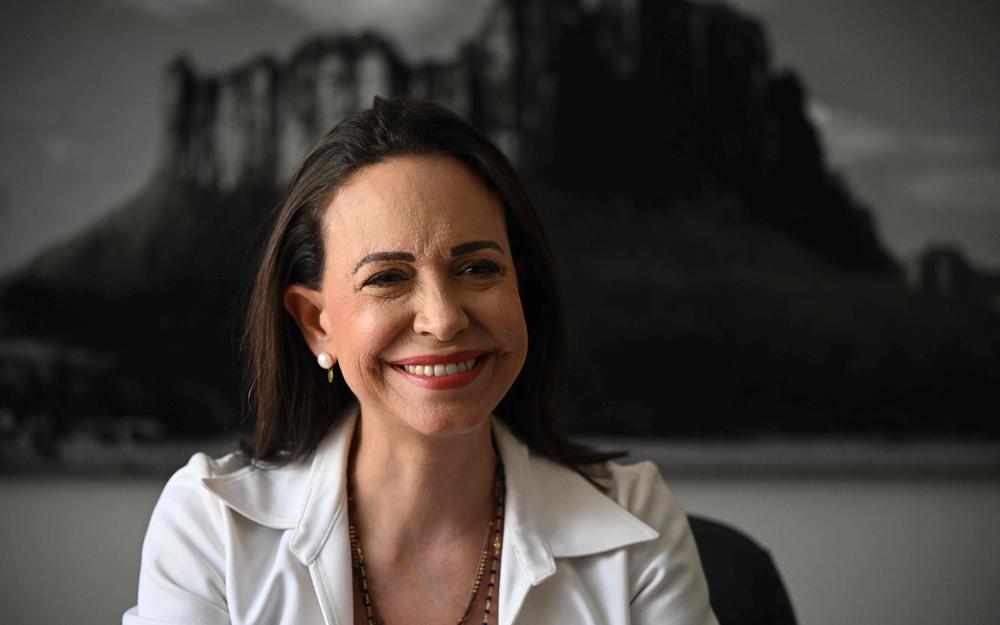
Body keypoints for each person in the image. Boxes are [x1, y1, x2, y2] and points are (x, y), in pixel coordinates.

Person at [123, 97, 718, 625]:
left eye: (478, 268)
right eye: (387, 278)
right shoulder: (213, 526)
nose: (443, 318)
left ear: (520, 289)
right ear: (316, 323)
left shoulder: (636, 522)